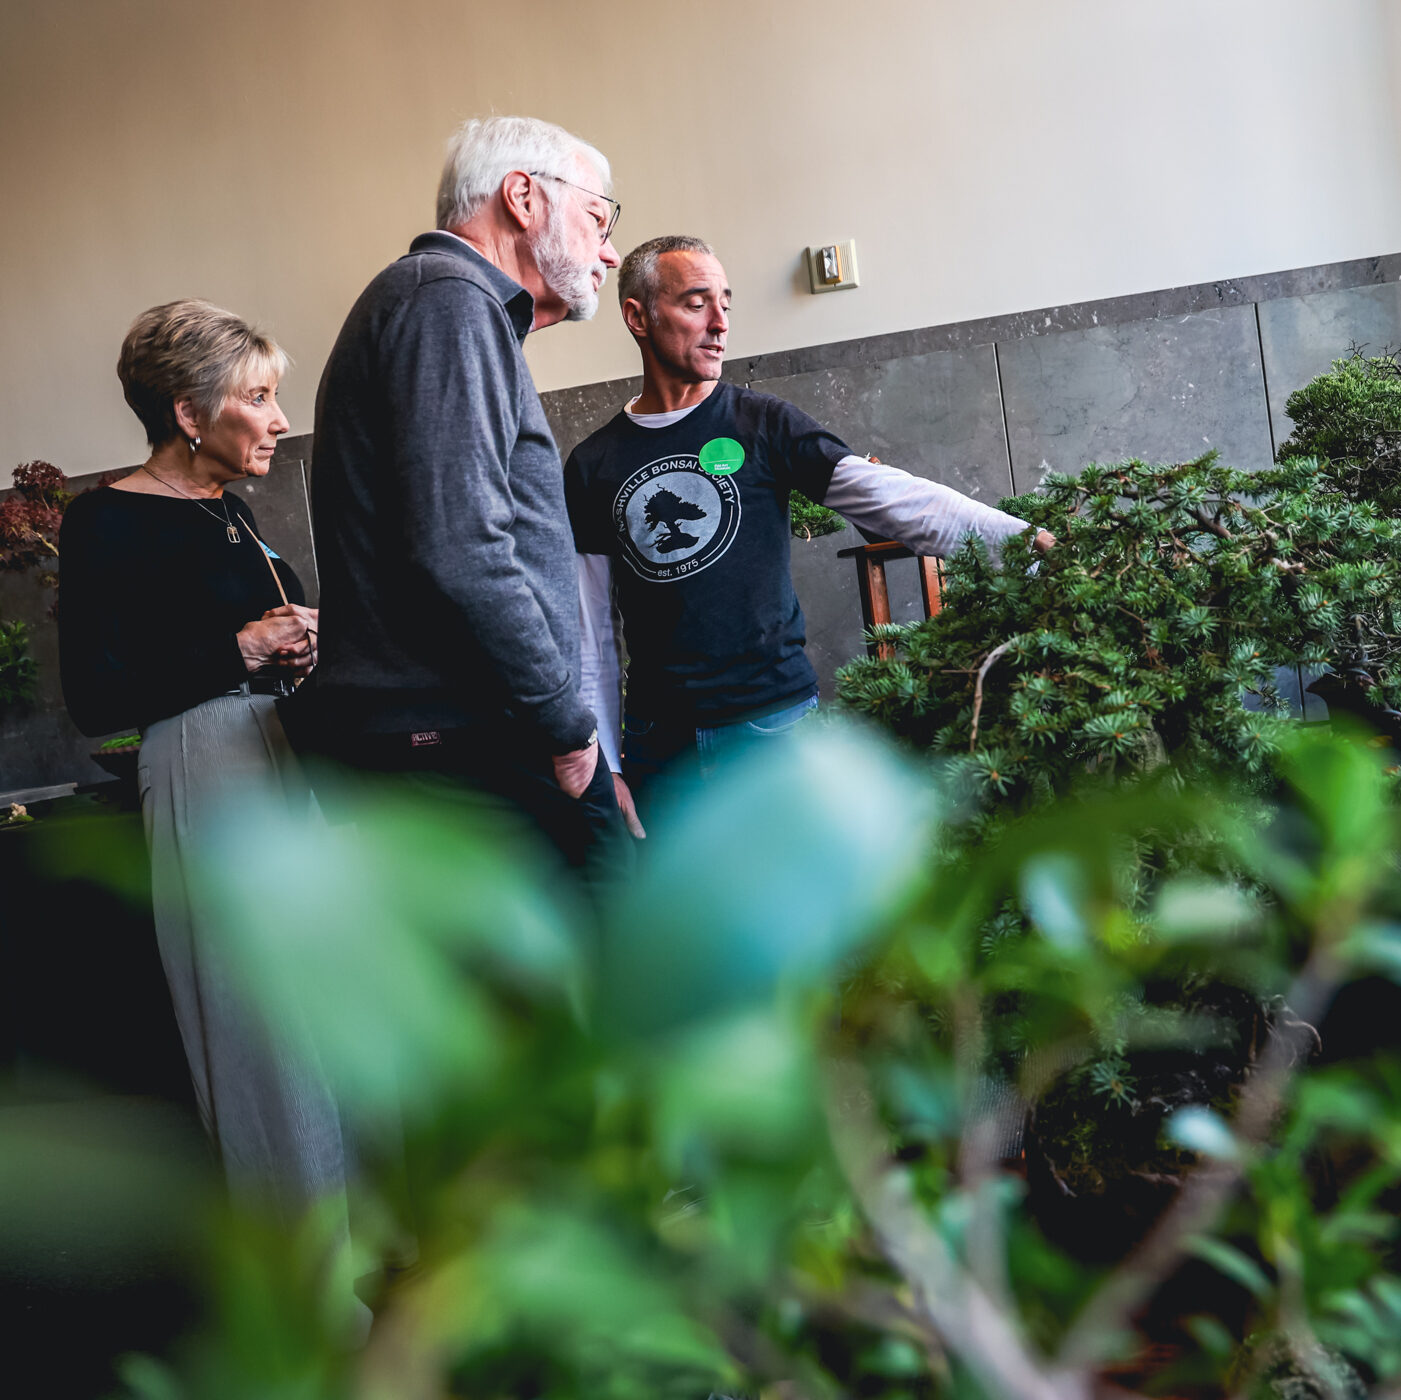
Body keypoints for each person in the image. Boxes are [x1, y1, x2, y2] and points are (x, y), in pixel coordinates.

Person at [57, 300, 364, 1333]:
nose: (279, 418)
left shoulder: (231, 510)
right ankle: (309, 1302)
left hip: (283, 763)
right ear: (189, 411)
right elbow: (96, 696)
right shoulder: (107, 518)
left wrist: (303, 644)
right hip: (205, 770)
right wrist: (240, 648)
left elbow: (259, 638)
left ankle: (373, 1270)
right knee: (261, 1035)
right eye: (259, 397)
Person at [564, 236, 1055, 831]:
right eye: (696, 304)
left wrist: (1029, 545)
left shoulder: (764, 423)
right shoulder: (594, 465)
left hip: (774, 725)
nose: (720, 323)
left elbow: (894, 499)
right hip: (658, 747)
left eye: (726, 303)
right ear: (638, 317)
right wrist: (607, 768)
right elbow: (589, 630)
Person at [308, 114, 628, 878]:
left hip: (462, 738)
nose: (609, 250)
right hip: (460, 745)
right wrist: (567, 723)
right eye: (597, 217)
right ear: (523, 196)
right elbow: (461, 545)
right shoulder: (447, 301)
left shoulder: (445, 301)